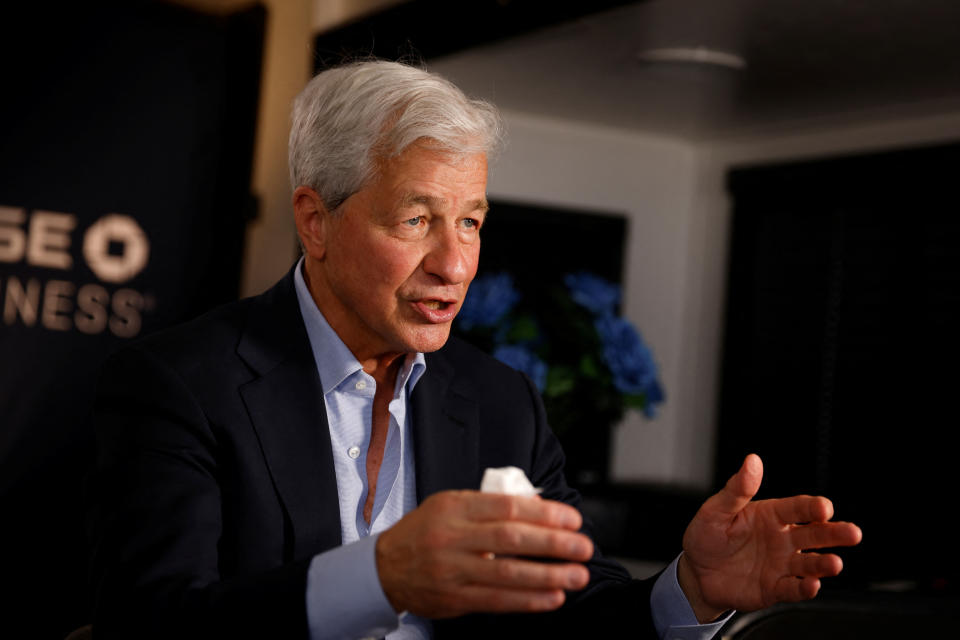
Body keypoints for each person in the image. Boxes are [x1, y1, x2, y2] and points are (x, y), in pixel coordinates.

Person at [87, 60, 862, 639]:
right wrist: (382, 576)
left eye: (471, 222)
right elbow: (155, 624)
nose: (455, 266)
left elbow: (572, 612)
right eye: (417, 220)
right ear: (315, 221)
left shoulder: (501, 403)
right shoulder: (179, 385)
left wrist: (688, 588)